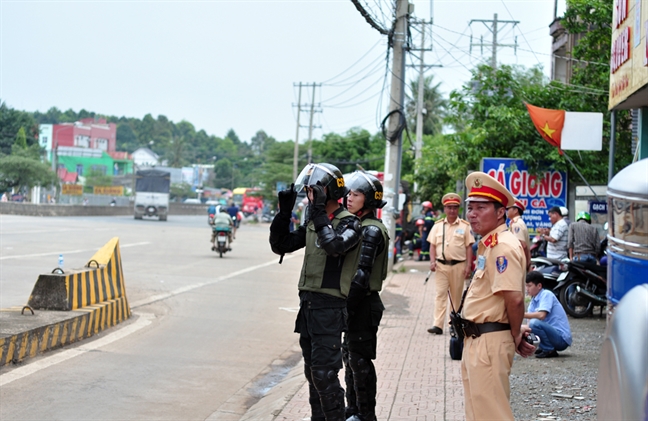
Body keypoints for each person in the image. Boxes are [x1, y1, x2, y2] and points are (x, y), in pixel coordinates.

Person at [269, 163, 363, 421]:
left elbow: (333, 246)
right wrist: (284, 213)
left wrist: (320, 212)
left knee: (325, 375)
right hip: (308, 306)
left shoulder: (350, 224)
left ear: (327, 193)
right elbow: (281, 245)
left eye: (314, 192)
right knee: (313, 375)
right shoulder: (314, 222)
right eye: (309, 192)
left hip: (329, 309)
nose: (310, 197)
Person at [461, 171, 535, 421]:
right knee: (478, 412)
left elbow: (514, 298)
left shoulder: (502, 245)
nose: (472, 214)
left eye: (480, 208)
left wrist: (515, 333)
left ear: (501, 212)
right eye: (470, 208)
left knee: (492, 414)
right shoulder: (489, 243)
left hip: (489, 341)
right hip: (477, 337)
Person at [341, 171, 389, 421]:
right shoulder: (356, 225)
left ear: (368, 200)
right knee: (349, 359)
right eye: (348, 193)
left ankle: (366, 415)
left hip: (362, 303)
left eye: (356, 194)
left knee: (360, 363)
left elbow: (361, 277)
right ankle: (353, 411)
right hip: (354, 302)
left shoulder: (370, 230)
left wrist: (345, 309)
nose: (349, 198)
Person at [426, 193, 474, 335]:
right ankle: (437, 325)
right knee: (440, 294)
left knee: (456, 297)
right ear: (444, 209)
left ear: (458, 209)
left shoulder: (465, 226)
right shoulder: (438, 226)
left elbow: (468, 247)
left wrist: (468, 266)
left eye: (455, 207)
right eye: (449, 207)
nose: (452, 210)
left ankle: (454, 324)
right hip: (441, 266)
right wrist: (432, 261)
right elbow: (432, 246)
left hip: (459, 266)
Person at [523, 271, 572, 358]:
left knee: (534, 323)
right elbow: (528, 324)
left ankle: (549, 349)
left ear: (539, 286)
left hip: (561, 339)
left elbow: (542, 315)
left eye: (529, 286)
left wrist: (521, 314)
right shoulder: (533, 301)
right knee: (527, 326)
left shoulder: (546, 294)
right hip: (553, 336)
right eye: (526, 285)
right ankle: (544, 347)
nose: (527, 289)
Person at [507, 199, 531, 270]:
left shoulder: (516, 224)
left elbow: (522, 245)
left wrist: (526, 263)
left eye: (508, 209)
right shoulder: (515, 223)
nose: (507, 211)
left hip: (518, 261)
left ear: (515, 211)